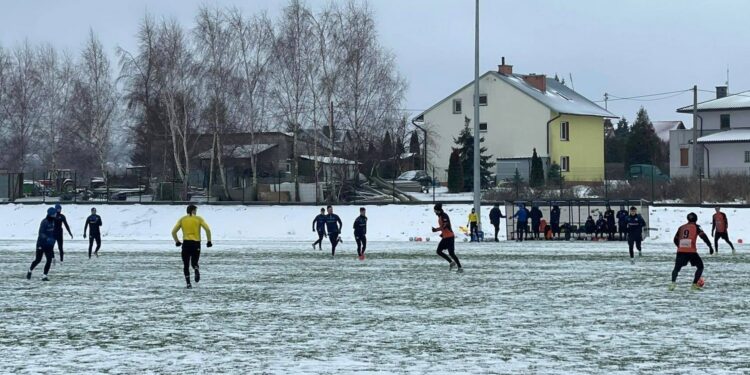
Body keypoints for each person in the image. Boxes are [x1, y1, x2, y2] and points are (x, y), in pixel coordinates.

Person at [669, 212, 714, 291]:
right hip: (691, 251)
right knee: (700, 267)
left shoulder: (681, 227)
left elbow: (675, 239)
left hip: (681, 251)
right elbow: (703, 236)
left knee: (676, 268)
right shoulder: (696, 227)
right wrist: (710, 246)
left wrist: (680, 246)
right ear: (696, 219)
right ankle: (694, 285)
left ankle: (672, 284)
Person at [171, 205, 212, 289]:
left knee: (186, 265)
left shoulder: (182, 219)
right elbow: (207, 229)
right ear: (193, 210)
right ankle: (196, 269)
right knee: (194, 262)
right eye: (195, 210)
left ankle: (188, 284)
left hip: (186, 244)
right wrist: (209, 241)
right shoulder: (198, 219)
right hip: (196, 244)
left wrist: (177, 241)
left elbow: (173, 231)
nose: (196, 212)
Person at [27, 207, 58, 281]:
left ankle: (44, 276)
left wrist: (53, 239)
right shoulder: (44, 222)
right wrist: (47, 238)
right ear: (51, 214)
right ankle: (30, 270)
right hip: (41, 243)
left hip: (49, 245)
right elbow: (41, 233)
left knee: (49, 260)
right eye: (54, 213)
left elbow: (53, 232)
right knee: (38, 259)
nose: (56, 214)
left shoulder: (53, 222)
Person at [431, 203, 462, 272]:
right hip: (445, 237)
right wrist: (442, 234)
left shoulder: (444, 216)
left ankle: (459, 267)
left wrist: (436, 230)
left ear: (438, 210)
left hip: (450, 237)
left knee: (451, 253)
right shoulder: (440, 216)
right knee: (439, 251)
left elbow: (445, 226)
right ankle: (451, 262)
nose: (435, 212)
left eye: (435, 211)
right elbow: (444, 228)